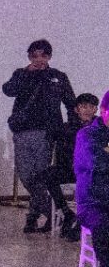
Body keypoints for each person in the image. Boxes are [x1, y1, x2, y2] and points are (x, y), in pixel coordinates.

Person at [2, 39, 77, 233]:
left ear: (49, 56)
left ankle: (33, 217)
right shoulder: (21, 74)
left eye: (43, 55)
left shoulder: (58, 77)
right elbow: (8, 90)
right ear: (29, 57)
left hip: (47, 133)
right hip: (22, 131)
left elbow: (71, 104)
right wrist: (26, 73)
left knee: (40, 176)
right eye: (34, 55)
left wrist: (71, 130)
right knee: (26, 175)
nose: (39, 59)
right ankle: (56, 210)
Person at [43, 92, 99, 240]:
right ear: (76, 109)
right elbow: (55, 144)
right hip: (71, 170)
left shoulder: (101, 128)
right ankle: (67, 213)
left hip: (92, 172)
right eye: (84, 106)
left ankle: (81, 224)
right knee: (48, 174)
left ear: (96, 109)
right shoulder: (67, 128)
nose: (88, 110)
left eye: (92, 107)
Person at [74, 90, 109, 267]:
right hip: (93, 203)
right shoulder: (87, 135)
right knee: (105, 226)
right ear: (103, 111)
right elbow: (97, 164)